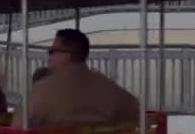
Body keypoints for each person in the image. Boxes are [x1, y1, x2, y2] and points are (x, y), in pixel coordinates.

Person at [11, 29, 139, 128]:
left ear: (67, 55)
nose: (49, 57)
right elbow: (136, 114)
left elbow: (17, 127)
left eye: (52, 52)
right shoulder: (110, 88)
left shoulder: (42, 89)